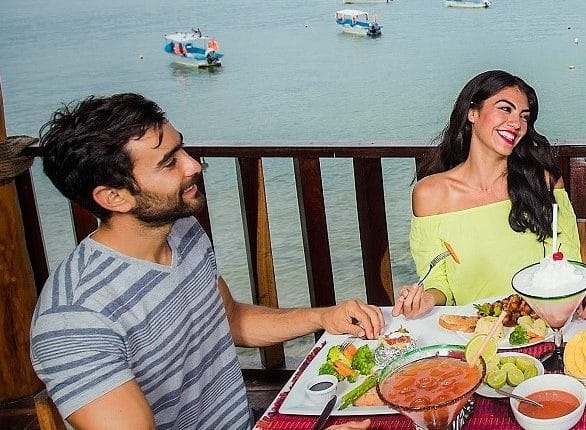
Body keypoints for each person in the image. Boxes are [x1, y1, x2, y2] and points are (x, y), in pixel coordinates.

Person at [29, 93, 382, 430]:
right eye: (169, 161)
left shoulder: (181, 230)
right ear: (114, 197)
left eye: (180, 147)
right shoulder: (75, 319)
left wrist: (322, 317)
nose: (193, 164)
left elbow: (227, 318)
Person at [393, 70, 586, 320]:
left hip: (541, 327)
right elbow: (439, 280)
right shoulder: (429, 194)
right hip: (473, 332)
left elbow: (568, 259)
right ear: (472, 113)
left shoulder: (542, 181)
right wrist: (426, 298)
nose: (516, 123)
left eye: (524, 116)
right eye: (505, 109)